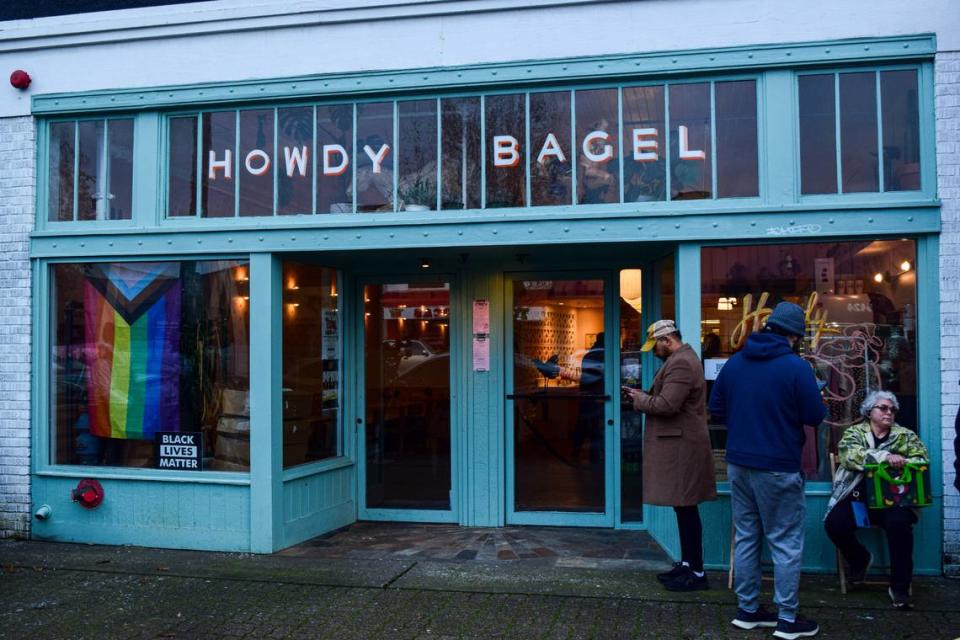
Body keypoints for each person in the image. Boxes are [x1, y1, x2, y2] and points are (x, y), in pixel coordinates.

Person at [709, 302, 827, 639]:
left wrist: (747, 421)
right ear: (793, 336)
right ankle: (787, 619)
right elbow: (814, 416)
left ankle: (748, 610)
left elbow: (716, 408)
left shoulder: (735, 362)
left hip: (738, 462)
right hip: (777, 465)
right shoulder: (796, 367)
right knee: (785, 540)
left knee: (747, 535)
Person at [624, 319, 716, 592]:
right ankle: (688, 564)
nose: (653, 351)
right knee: (683, 507)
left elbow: (667, 405)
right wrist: (642, 395)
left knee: (686, 508)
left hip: (682, 447)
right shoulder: (682, 359)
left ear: (668, 340)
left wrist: (639, 399)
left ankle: (696, 571)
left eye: (656, 345)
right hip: (680, 444)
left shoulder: (681, 363)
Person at [823, 390, 929, 610]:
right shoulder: (855, 433)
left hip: (894, 501)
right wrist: (885, 457)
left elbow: (922, 459)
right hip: (859, 499)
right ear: (869, 412)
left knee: (899, 524)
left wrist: (905, 460)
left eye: (892, 409)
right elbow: (849, 455)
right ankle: (860, 559)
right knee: (834, 523)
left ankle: (900, 587)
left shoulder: (905, 435)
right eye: (883, 408)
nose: (888, 412)